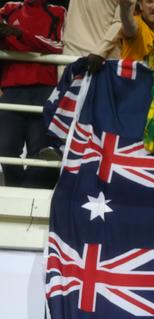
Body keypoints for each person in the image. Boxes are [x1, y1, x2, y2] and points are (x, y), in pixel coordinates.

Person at [0, 0, 65, 188]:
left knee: (42, 152)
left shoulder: (57, 11)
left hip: (45, 90)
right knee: (4, 148)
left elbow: (57, 46)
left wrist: (20, 35)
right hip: (12, 88)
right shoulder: (9, 9)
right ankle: (17, 191)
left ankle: (27, 194)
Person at [62, 0, 122, 73]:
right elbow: (122, 22)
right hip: (72, 54)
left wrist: (100, 51)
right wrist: (100, 51)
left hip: (100, 60)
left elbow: (121, 22)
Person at [119, 0, 154, 65]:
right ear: (140, 5)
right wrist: (125, 8)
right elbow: (128, 25)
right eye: (149, 2)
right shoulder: (135, 24)